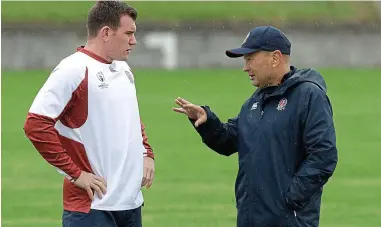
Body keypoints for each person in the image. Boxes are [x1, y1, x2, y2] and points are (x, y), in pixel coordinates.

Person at [173, 26, 338, 227]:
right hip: (250, 218)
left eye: (250, 59)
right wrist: (208, 122)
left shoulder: (309, 96)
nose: (245, 67)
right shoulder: (255, 101)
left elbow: (323, 156)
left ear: (275, 58)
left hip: (288, 220)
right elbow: (230, 140)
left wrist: (290, 199)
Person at [23, 1, 155, 227]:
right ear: (106, 33)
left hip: (130, 205)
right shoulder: (73, 70)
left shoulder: (123, 69)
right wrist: (76, 174)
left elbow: (130, 117)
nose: (134, 41)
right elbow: (35, 124)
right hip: (91, 209)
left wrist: (147, 153)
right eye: (129, 33)